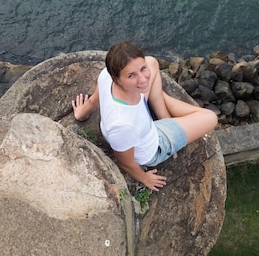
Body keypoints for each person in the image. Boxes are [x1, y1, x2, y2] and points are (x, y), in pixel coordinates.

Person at [72, 41, 217, 192]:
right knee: (210, 117)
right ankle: (163, 106)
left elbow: (95, 100)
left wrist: (81, 113)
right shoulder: (123, 124)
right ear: (116, 79)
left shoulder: (106, 76)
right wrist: (144, 178)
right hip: (152, 146)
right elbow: (125, 162)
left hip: (137, 110)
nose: (142, 79)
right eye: (131, 75)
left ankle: (163, 113)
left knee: (152, 62)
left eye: (142, 69)